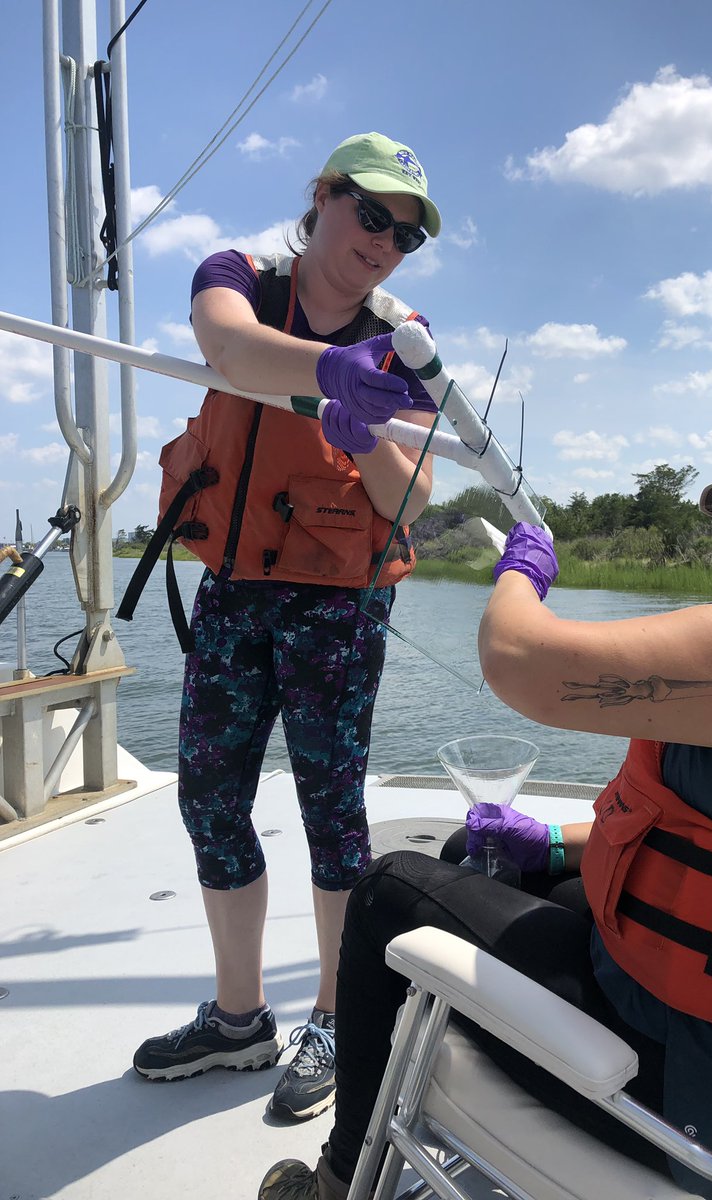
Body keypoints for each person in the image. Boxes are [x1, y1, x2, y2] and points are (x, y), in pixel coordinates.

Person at [257, 428, 712, 1200]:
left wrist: (522, 575)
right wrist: (554, 842)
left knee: (387, 890)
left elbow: (522, 664)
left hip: (686, 1107)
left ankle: (336, 1185)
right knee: (473, 853)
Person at [131, 132, 442, 1125]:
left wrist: (371, 429)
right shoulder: (239, 275)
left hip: (338, 604)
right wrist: (331, 371)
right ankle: (236, 1019)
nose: (387, 242)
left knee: (331, 811)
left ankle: (335, 1020)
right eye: (373, 215)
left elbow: (413, 499)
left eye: (407, 233)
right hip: (233, 587)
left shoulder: (409, 336)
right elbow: (225, 346)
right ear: (325, 196)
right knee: (209, 799)